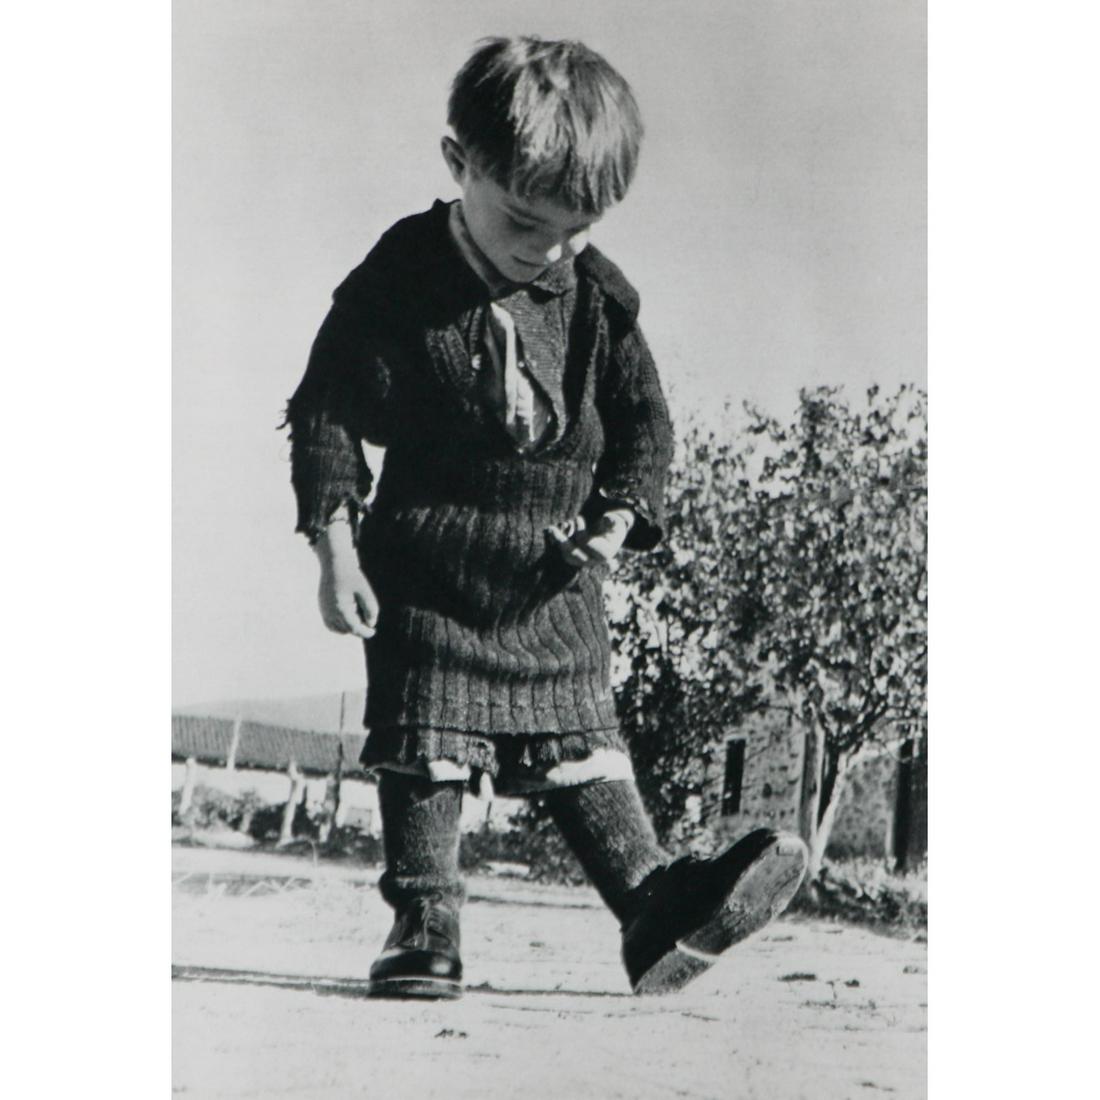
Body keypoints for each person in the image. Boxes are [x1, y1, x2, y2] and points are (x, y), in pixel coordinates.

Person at [284, 35, 807, 999]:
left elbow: (646, 422)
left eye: (577, 227)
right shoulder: (398, 279)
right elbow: (328, 412)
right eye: (525, 220)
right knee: (427, 745)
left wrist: (616, 521)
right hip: (430, 567)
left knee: (582, 749)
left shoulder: (599, 300)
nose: (551, 249)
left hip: (552, 576)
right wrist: (336, 548)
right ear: (458, 163)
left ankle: (652, 908)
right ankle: (424, 918)